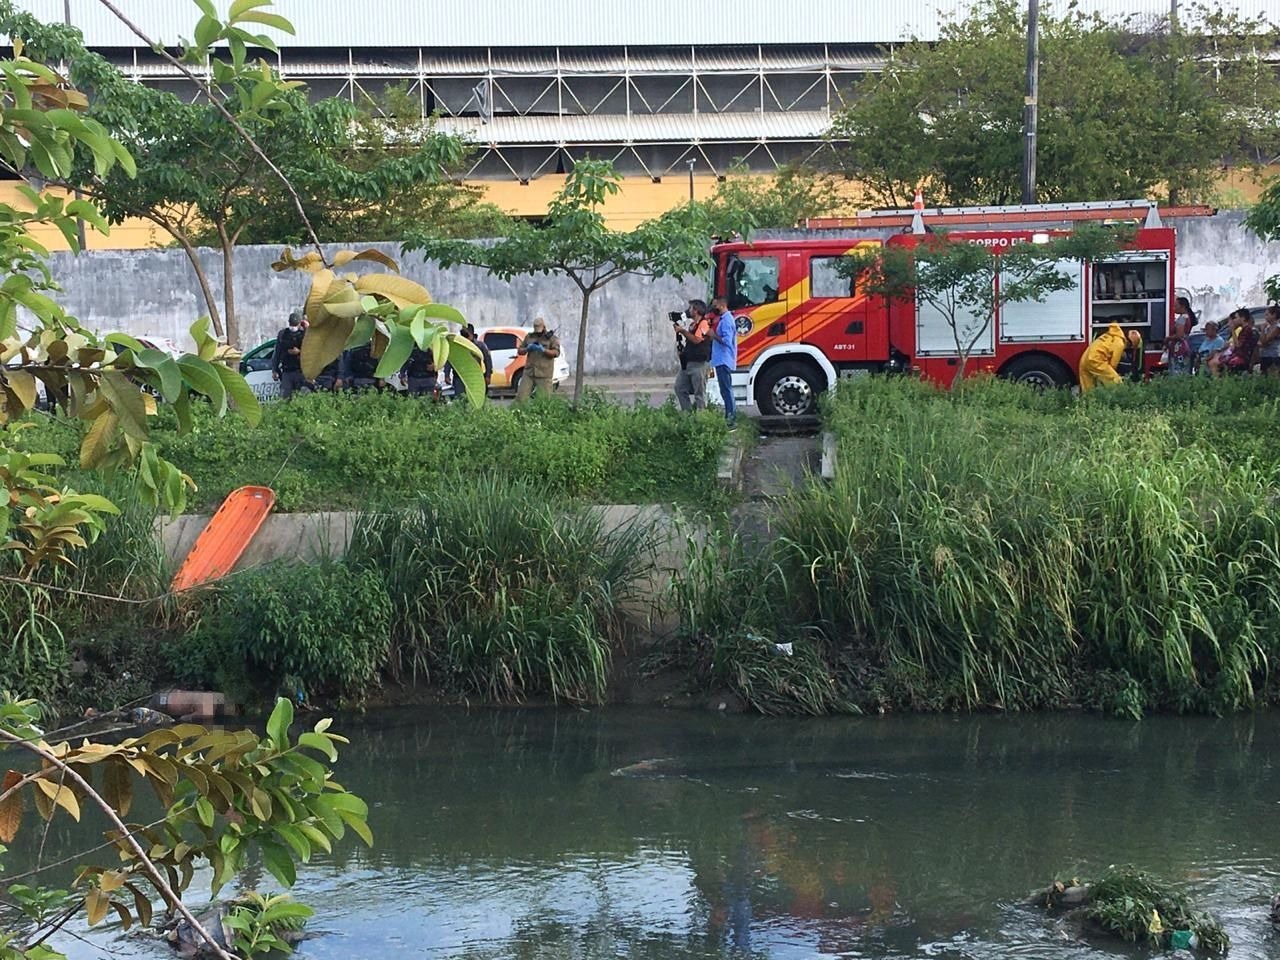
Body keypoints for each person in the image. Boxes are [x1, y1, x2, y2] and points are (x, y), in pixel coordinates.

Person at [673, 299, 711, 411]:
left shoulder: (704, 323)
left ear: (696, 310)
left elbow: (697, 340)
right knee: (679, 388)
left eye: (691, 308)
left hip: (699, 364)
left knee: (699, 393)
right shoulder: (693, 325)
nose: (688, 311)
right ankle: (687, 414)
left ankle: (702, 418)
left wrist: (682, 331)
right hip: (688, 362)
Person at [1078, 323, 1139, 391]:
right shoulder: (1120, 344)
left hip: (1085, 359)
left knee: (1088, 390)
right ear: (1129, 342)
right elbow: (1113, 364)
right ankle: (1119, 400)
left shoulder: (1111, 335)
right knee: (1116, 382)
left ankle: (1087, 401)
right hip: (1096, 360)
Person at [707, 297, 738, 424]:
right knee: (725, 388)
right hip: (721, 359)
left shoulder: (726, 321)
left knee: (726, 389)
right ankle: (730, 415)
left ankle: (730, 417)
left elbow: (726, 341)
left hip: (723, 359)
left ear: (722, 305)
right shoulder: (724, 319)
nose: (714, 308)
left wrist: (713, 335)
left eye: (715, 305)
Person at [516, 316, 560, 401]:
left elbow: (556, 353)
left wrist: (543, 350)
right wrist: (527, 348)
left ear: (544, 327)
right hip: (529, 372)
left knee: (544, 400)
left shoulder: (552, 339)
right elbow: (520, 350)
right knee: (521, 398)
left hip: (544, 373)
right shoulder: (529, 337)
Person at [447, 324, 493, 400]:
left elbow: (488, 361)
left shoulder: (479, 345)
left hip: (475, 377)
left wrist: (488, 375)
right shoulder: (458, 345)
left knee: (475, 400)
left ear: (471, 334)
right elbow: (451, 359)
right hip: (460, 377)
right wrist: (447, 374)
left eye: (465, 334)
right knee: (460, 400)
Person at [271, 311, 306, 399]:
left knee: (302, 399)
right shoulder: (283, 335)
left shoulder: (305, 335)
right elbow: (277, 353)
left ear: (299, 324)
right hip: (287, 371)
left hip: (301, 372)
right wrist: (274, 369)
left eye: (295, 324)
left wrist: (299, 352)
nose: (293, 327)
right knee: (285, 399)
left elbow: (311, 352)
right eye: (292, 324)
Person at [1165, 296, 1198, 375]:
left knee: (1177, 370)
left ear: (1182, 306)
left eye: (1176, 306)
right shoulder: (1187, 317)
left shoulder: (1182, 318)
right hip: (1184, 346)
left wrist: (1168, 338)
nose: (1174, 308)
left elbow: (1179, 335)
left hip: (1179, 348)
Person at [1258, 305, 1280, 376]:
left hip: (1274, 355)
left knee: (1273, 375)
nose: (1265, 316)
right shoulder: (1268, 327)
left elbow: (1265, 341)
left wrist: (1262, 330)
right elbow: (1262, 342)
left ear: (1274, 315)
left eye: (1267, 314)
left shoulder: (1277, 327)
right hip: (1265, 355)